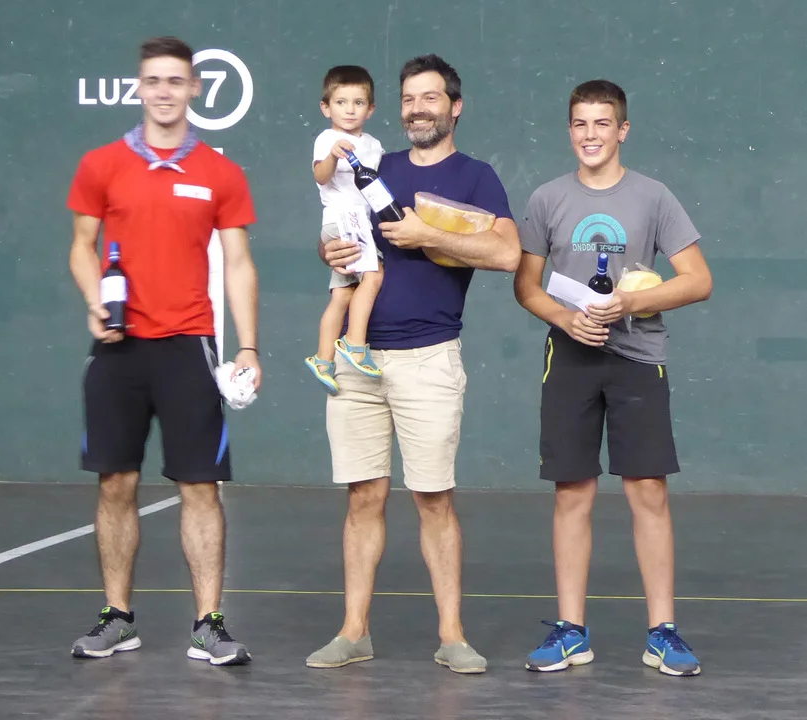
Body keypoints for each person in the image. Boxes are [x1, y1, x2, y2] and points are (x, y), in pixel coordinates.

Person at [306, 54, 521, 674]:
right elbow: (337, 225)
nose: (418, 109)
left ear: (455, 106)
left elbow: (507, 254)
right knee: (363, 497)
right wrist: (329, 248)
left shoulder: (476, 176)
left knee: (433, 498)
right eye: (408, 99)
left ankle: (452, 636)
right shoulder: (374, 164)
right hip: (356, 359)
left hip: (429, 358)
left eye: (430, 98)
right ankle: (354, 632)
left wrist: (430, 236)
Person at [65, 36, 261, 666]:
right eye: (153, 81)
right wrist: (94, 301)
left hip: (189, 349)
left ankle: (209, 625)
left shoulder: (221, 173)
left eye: (176, 81)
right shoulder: (100, 164)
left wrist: (248, 345)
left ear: (194, 88)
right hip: (118, 351)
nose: (164, 91)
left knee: (200, 488)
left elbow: (238, 263)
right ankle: (117, 618)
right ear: (139, 87)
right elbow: (81, 246)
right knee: (115, 483)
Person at [514, 79, 712, 677]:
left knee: (648, 492)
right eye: (580, 123)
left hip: (637, 359)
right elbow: (526, 286)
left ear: (622, 130)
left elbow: (698, 280)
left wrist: (629, 303)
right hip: (570, 358)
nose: (590, 134)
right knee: (572, 492)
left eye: (602, 123)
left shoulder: (654, 197)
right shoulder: (547, 199)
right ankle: (570, 631)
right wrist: (565, 318)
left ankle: (663, 633)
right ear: (569, 130)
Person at [305, 65, 385, 394]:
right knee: (374, 276)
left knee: (342, 294)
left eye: (358, 102)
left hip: (359, 222)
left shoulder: (375, 145)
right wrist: (333, 157)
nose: (350, 110)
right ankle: (354, 344)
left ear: (371, 109)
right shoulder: (327, 139)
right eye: (341, 102)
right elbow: (320, 176)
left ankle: (323, 359)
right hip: (342, 221)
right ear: (326, 108)